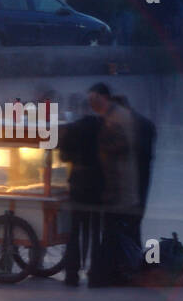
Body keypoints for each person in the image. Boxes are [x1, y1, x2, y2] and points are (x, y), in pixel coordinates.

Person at [86, 82, 143, 285]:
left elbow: (121, 148)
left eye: (95, 100)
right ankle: (117, 272)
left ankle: (114, 273)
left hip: (118, 186)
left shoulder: (117, 118)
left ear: (105, 97)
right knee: (116, 231)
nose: (92, 104)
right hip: (117, 186)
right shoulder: (112, 116)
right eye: (90, 101)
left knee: (114, 231)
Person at [58, 108, 104, 287]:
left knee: (74, 231)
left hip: (78, 184)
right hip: (98, 184)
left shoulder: (73, 129)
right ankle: (95, 275)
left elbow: (63, 156)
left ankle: (72, 274)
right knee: (96, 231)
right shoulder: (103, 129)